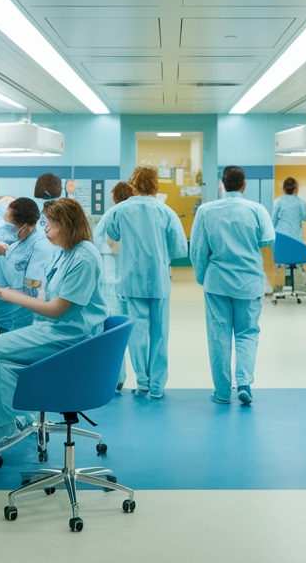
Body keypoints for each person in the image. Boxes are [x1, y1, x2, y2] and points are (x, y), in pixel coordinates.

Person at [0, 198, 109, 447]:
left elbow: (56, 309)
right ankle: (18, 417)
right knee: (3, 363)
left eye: (50, 224)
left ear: (68, 225)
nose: (45, 229)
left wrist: (3, 293)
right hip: (59, 330)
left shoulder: (83, 258)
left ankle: (5, 427)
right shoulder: (67, 253)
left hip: (72, 337)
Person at [190, 166, 275, 405]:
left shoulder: (206, 211)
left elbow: (196, 250)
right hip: (249, 283)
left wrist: (202, 278)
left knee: (219, 336)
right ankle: (244, 382)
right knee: (247, 334)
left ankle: (222, 393)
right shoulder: (257, 210)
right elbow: (268, 238)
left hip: (217, 283)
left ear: (222, 185)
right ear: (244, 185)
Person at [105, 165, 188, 399]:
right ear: (155, 185)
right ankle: (158, 386)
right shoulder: (166, 212)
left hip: (131, 279)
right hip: (159, 280)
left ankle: (142, 382)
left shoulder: (121, 210)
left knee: (138, 333)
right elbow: (180, 248)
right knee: (160, 333)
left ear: (134, 183)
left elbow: (113, 234)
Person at [0, 198, 53, 334]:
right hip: (8, 314)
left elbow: (32, 291)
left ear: (25, 226)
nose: (5, 230)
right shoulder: (18, 244)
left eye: (10, 226)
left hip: (24, 319)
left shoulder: (40, 247)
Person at [97, 181, 135, 391]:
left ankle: (117, 378)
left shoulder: (111, 215)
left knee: (113, 330)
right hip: (134, 280)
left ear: (114, 197)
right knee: (136, 332)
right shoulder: (137, 216)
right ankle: (145, 382)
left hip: (111, 277)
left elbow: (95, 242)